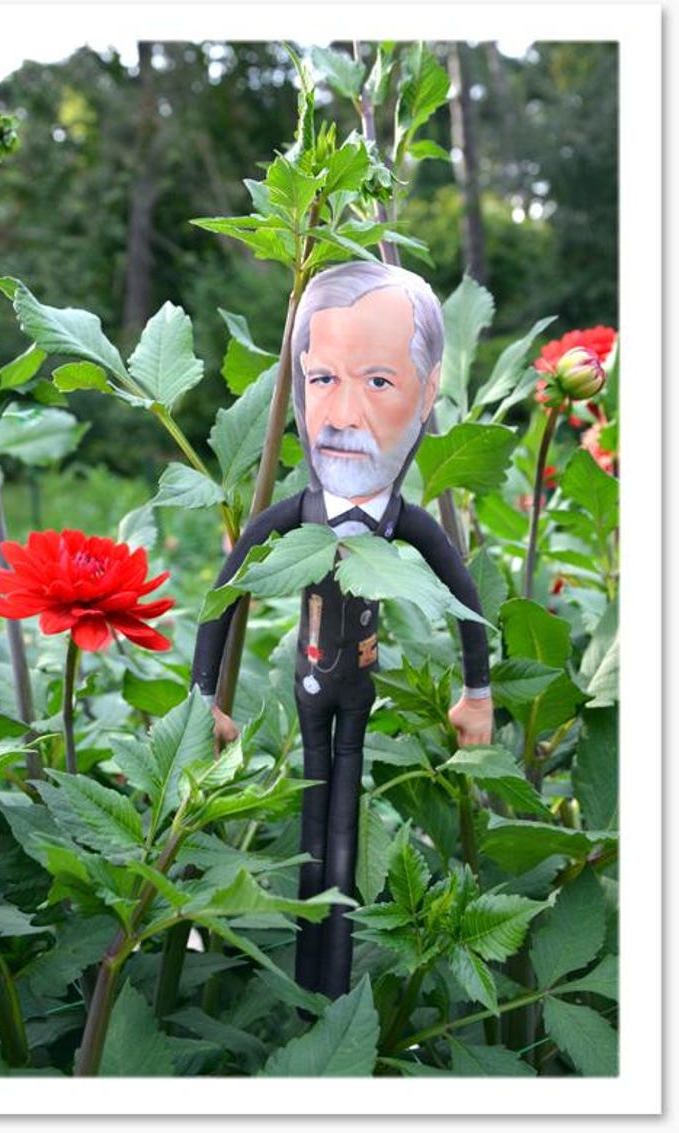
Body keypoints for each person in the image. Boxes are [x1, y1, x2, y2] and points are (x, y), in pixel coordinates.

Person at [191, 261, 493, 1001]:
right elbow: (226, 593)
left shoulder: (403, 524)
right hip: (306, 688)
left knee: (344, 835)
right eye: (323, 378)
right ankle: (305, 985)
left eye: (379, 382)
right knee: (309, 825)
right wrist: (205, 697)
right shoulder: (294, 519)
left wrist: (477, 690)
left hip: (357, 693)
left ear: (428, 397)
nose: (344, 412)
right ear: (295, 389)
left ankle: (332, 991)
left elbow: (464, 598)